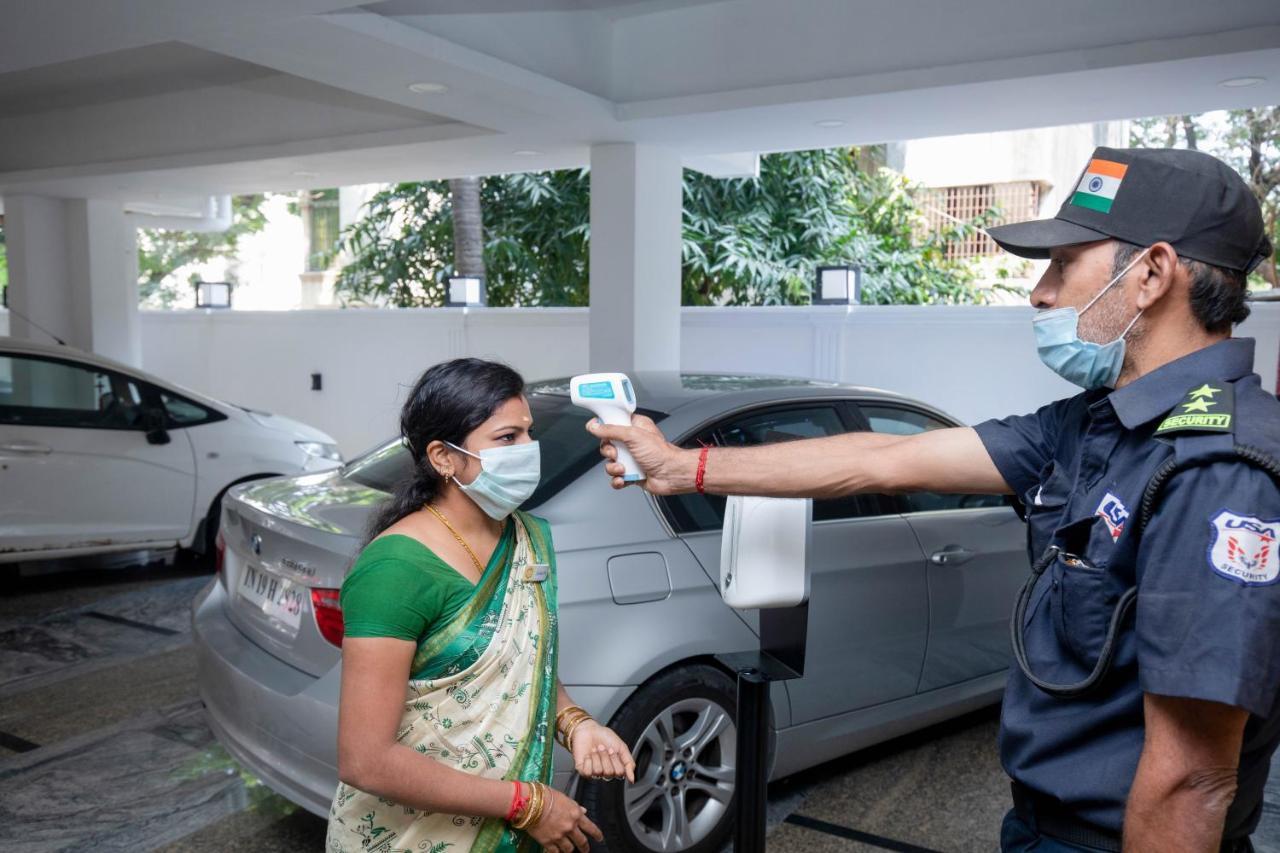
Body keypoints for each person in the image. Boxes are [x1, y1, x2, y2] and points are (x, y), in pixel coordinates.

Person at [586, 147, 1280, 852]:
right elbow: (880, 456)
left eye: (1064, 264)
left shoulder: (1216, 468)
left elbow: (1190, 780)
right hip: (1041, 826)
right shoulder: (1094, 422)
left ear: (1151, 275)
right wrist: (678, 465)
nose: (1039, 292)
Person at [327, 358, 636, 853]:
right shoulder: (396, 569)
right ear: (444, 457)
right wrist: (529, 805)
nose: (529, 450)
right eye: (507, 438)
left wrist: (576, 724)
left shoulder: (527, 536)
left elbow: (523, 661)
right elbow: (365, 759)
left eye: (529, 434)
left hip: (506, 831)